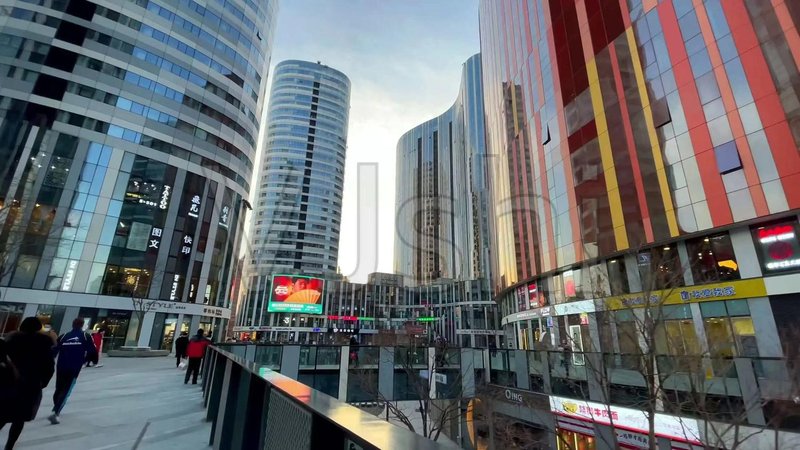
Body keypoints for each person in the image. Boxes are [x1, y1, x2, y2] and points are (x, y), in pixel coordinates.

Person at [1, 317, 55, 449]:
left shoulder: (11, 340)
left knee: (2, 414)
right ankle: (9, 446)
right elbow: (49, 366)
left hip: (9, 382)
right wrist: (43, 382)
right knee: (19, 419)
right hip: (31, 385)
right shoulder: (44, 343)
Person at [49, 318, 97, 424]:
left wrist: (50, 360)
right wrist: (88, 361)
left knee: (59, 388)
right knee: (66, 390)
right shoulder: (85, 336)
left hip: (61, 366)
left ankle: (56, 406)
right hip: (74, 367)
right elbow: (92, 350)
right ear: (82, 325)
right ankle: (55, 412)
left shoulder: (64, 336)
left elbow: (54, 350)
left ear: (72, 324)